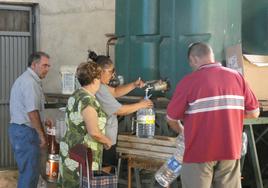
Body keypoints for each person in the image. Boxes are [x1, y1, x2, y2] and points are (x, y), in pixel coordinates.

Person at [166, 42, 260, 188]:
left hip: (199, 151)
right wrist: (230, 119)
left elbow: (171, 119)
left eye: (190, 62)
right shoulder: (237, 77)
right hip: (230, 148)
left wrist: (183, 131)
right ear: (212, 56)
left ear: (193, 59)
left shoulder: (189, 82)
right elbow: (254, 113)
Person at [88, 51, 153, 166]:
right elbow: (120, 110)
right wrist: (141, 105)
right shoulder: (99, 89)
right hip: (104, 139)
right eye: (111, 72)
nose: (113, 75)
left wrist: (133, 84)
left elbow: (115, 91)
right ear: (100, 72)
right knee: (102, 173)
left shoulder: (100, 85)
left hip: (107, 137)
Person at [58, 62, 112, 188]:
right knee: (82, 184)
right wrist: (107, 141)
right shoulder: (88, 100)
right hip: (83, 152)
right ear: (95, 79)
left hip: (70, 147)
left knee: (70, 183)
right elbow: (93, 132)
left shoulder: (76, 95)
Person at [9, 51, 51, 188]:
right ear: (34, 65)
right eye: (44, 65)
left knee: (29, 173)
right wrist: (42, 135)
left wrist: (43, 122)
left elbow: (33, 110)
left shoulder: (29, 80)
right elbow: (32, 112)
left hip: (22, 130)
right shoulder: (29, 82)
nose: (47, 69)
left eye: (48, 66)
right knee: (29, 173)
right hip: (25, 132)